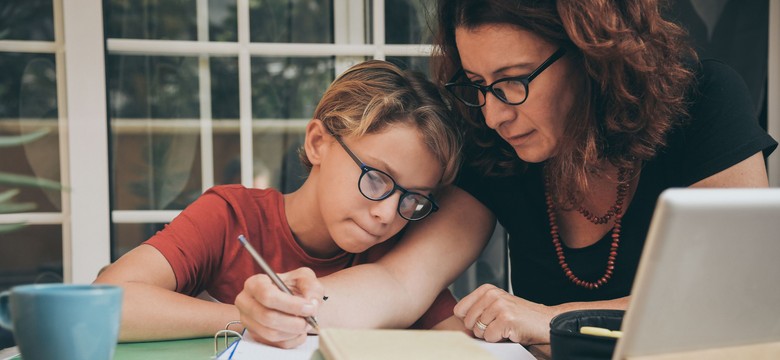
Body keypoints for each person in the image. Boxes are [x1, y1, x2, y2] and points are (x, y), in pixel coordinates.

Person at [235, 0, 777, 348]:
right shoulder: (496, 143)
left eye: (512, 80)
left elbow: (744, 299)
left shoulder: (704, 104)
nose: (494, 113)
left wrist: (549, 319)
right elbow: (401, 280)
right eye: (477, 84)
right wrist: (301, 306)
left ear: (593, 56)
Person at [93, 60, 465, 344]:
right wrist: (248, 318)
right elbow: (104, 304)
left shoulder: (398, 255)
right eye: (376, 178)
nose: (387, 213)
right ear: (318, 143)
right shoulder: (230, 216)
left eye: (413, 198)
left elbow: (462, 344)